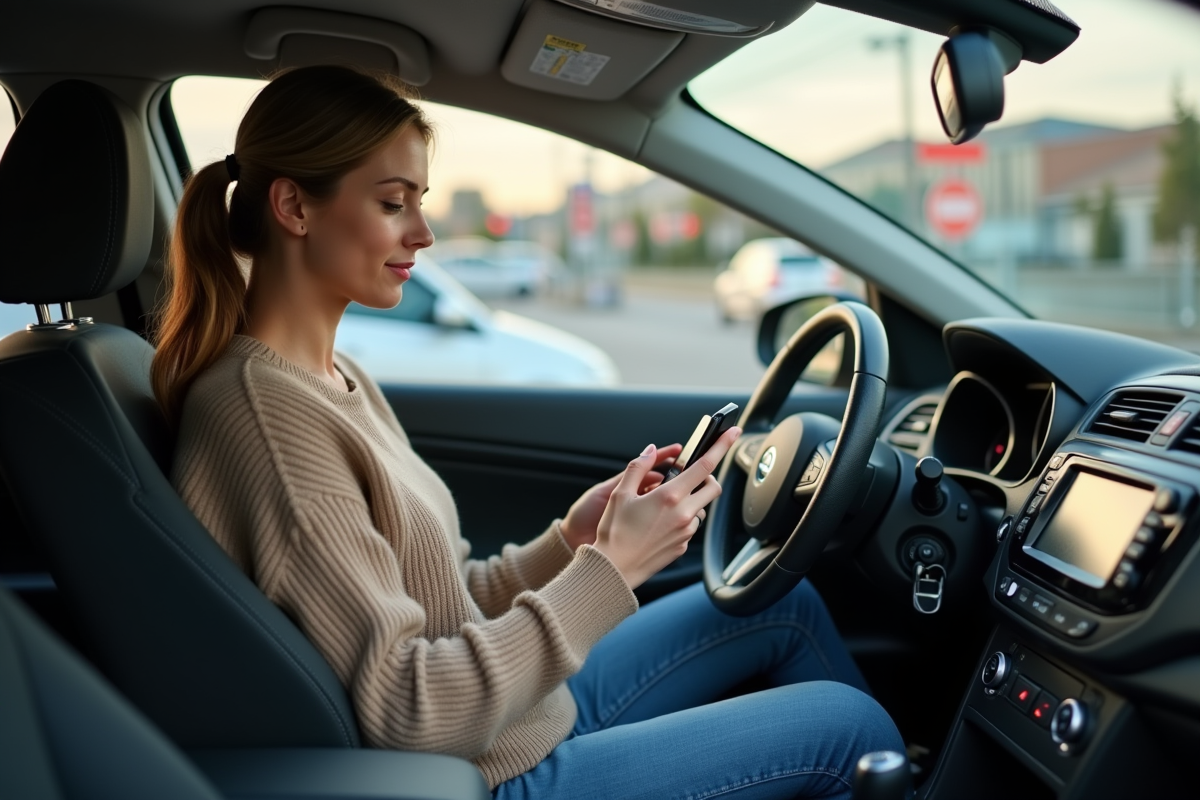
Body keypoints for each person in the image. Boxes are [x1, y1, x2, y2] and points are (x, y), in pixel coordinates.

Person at [154, 65, 904, 799]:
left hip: (514, 723)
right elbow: (408, 710)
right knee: (850, 728)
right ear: (294, 206)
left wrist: (572, 542)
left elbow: (446, 599)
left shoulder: (333, 375)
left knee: (785, 604)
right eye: (392, 203)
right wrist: (610, 569)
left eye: (420, 201)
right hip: (487, 775)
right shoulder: (266, 418)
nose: (422, 233)